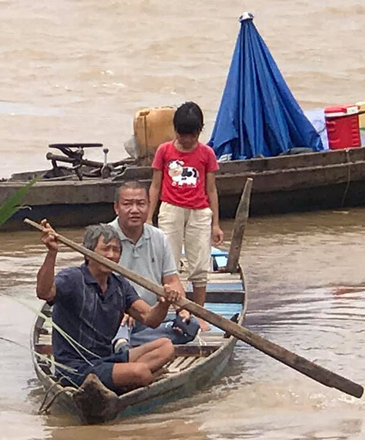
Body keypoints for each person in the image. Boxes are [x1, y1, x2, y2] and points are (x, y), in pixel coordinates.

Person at [36, 220, 179, 393]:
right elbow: (44, 292)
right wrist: (52, 253)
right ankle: (138, 378)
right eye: (105, 249)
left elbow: (151, 319)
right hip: (75, 368)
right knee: (140, 371)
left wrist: (164, 303)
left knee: (166, 346)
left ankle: (125, 378)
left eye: (116, 250)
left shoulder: (119, 284)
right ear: (88, 253)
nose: (111, 255)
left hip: (107, 359)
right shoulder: (72, 278)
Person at [109, 181, 208, 350]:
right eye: (127, 204)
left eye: (140, 204)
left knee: (189, 327)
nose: (134, 210)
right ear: (117, 208)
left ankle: (134, 343)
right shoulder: (105, 237)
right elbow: (96, 285)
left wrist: (182, 309)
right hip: (120, 316)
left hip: (153, 315)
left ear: (148, 206)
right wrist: (119, 311)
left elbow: (171, 279)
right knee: (118, 326)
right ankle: (126, 344)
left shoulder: (158, 237)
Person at [147, 101, 224, 315]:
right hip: (171, 209)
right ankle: (170, 310)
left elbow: (211, 190)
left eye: (193, 135)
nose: (188, 140)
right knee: (167, 261)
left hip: (199, 212)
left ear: (200, 131)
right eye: (183, 135)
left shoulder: (207, 154)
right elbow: (155, 185)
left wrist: (215, 224)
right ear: (175, 130)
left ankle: (199, 313)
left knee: (199, 265)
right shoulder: (164, 151)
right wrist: (148, 216)